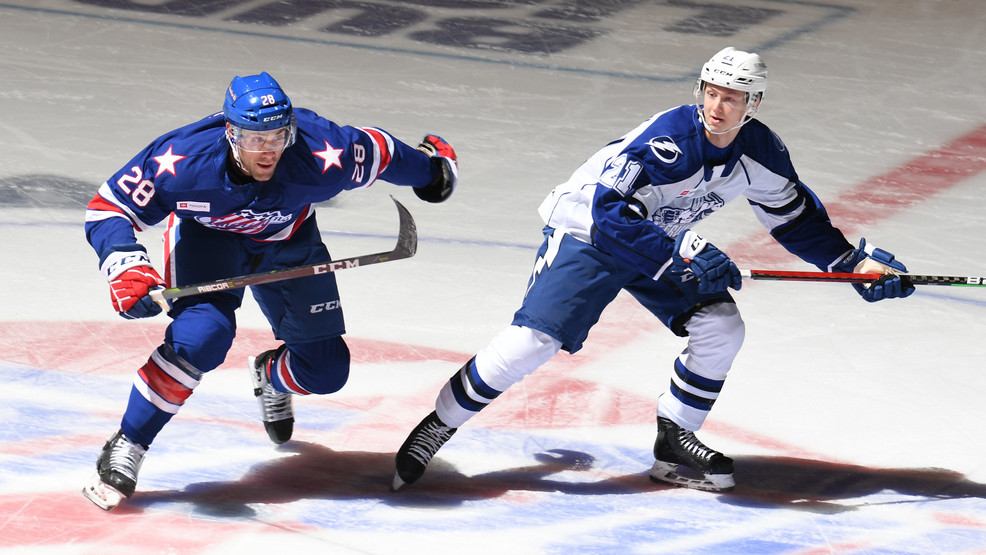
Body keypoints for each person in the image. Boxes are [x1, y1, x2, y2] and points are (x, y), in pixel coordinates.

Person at [391, 47, 914, 493]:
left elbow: (795, 218)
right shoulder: (670, 141)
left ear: (753, 103)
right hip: (591, 235)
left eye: (731, 98)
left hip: (658, 242)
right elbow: (609, 213)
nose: (717, 107)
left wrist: (853, 264)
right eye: (711, 92)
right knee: (534, 342)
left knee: (721, 326)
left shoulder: (761, 151)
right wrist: (680, 250)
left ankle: (674, 441)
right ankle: (439, 424)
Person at [81, 72, 458, 510]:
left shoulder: (324, 152)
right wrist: (124, 263)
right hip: (208, 241)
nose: (268, 150)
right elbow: (109, 208)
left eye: (278, 136)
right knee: (201, 338)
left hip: (289, 243)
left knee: (326, 373)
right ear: (231, 133)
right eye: (254, 139)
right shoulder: (182, 160)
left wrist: (431, 171)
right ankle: (129, 442)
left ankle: (270, 374)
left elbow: (380, 151)